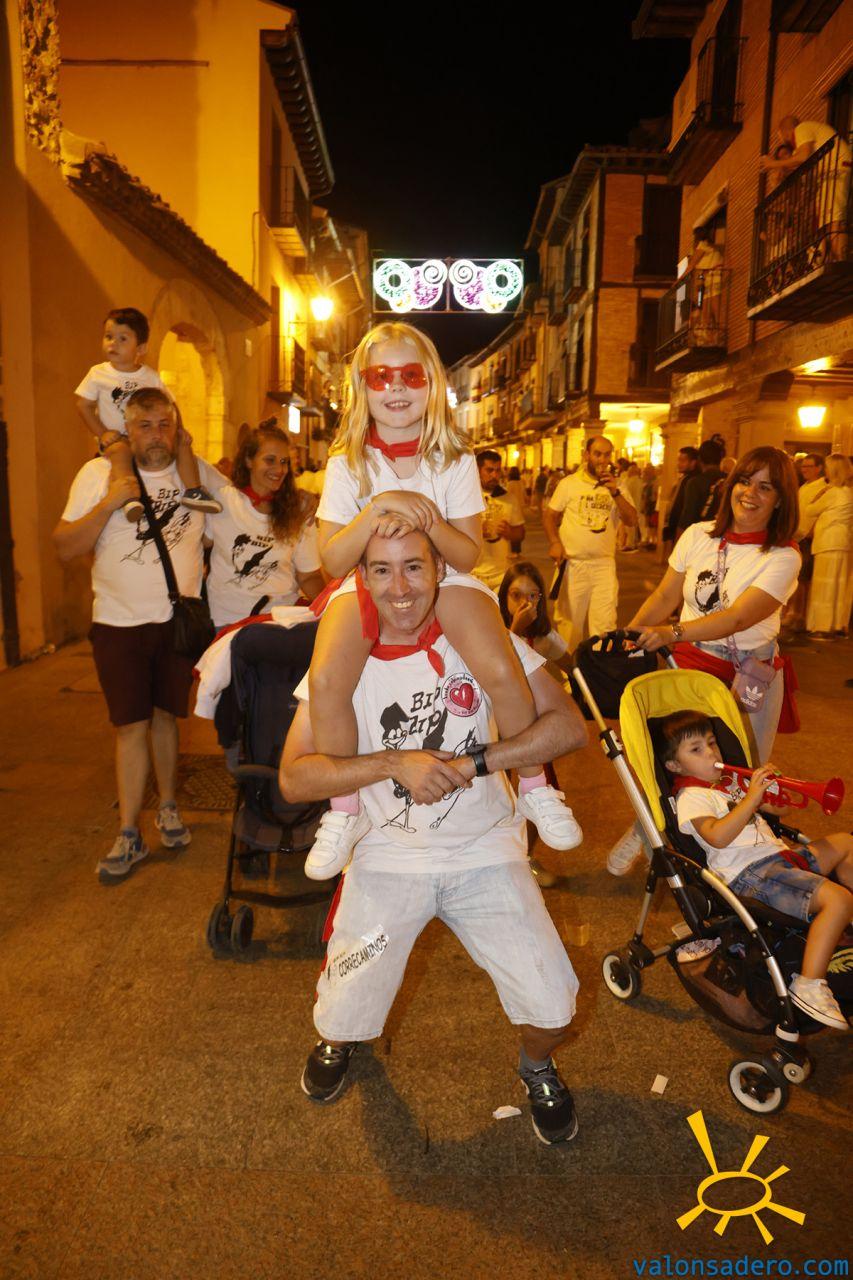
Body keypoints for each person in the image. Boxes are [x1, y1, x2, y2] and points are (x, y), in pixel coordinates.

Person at [280, 528, 589, 1143]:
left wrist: (476, 763)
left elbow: (569, 728)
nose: (400, 588)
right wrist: (395, 763)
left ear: (441, 568)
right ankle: (341, 1040)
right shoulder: (343, 657)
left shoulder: (483, 638)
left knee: (556, 1007)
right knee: (340, 1013)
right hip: (387, 859)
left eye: (414, 568)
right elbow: (294, 777)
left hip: (486, 852)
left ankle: (536, 1066)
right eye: (382, 570)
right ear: (362, 579)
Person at [305, 321, 582, 878]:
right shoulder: (346, 462)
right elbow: (332, 560)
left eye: (411, 375)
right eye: (381, 376)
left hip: (447, 578)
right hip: (368, 580)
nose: (396, 387)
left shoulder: (454, 458)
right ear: (362, 386)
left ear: (432, 383)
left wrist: (427, 522)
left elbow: (468, 554)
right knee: (327, 680)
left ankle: (533, 784)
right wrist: (378, 507)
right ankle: (344, 809)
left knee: (499, 666)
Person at [606, 447, 801, 876]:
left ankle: (732, 862)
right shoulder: (698, 535)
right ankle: (648, 825)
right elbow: (665, 595)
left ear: (780, 500)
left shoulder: (784, 556)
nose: (750, 493)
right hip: (692, 666)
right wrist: (630, 638)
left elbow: (738, 617)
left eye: (765, 487)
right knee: (678, 759)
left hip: (752, 672)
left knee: (737, 768)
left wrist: (670, 632)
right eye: (744, 481)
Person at [53, 388, 205, 883]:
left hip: (174, 623)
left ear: (176, 430)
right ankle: (128, 831)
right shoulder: (99, 475)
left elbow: (240, 512)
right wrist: (109, 505)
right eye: (145, 426)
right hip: (118, 624)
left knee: (166, 718)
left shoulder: (193, 474)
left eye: (164, 425)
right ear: (127, 430)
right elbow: (64, 546)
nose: (156, 435)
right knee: (130, 726)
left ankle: (168, 806)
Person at [662, 710, 852, 1031]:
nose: (711, 753)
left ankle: (842, 923)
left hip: (779, 859)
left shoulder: (728, 785)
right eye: (696, 749)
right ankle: (809, 984)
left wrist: (775, 790)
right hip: (751, 874)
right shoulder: (691, 796)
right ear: (675, 766)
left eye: (711, 743)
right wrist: (751, 798)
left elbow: (779, 808)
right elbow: (717, 836)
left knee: (846, 843)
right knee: (839, 900)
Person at [74, 307, 221, 523]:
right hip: (117, 438)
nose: (113, 343)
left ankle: (193, 490)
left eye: (123, 339)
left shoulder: (151, 377)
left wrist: (179, 429)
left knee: (182, 444)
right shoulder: (98, 374)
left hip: (146, 437)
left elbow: (171, 405)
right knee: (120, 452)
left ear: (141, 348)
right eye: (109, 337)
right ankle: (129, 498)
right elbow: (83, 405)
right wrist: (103, 433)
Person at [205, 424, 325, 629]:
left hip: (278, 622)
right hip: (226, 622)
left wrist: (330, 607)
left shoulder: (299, 510)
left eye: (284, 462)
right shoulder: (223, 501)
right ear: (248, 460)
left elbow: (309, 576)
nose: (279, 469)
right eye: (270, 460)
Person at [542, 435, 638, 652]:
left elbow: (632, 520)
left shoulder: (619, 486)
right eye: (597, 454)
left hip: (603, 566)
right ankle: (571, 673)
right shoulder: (569, 484)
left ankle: (599, 670)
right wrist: (554, 542)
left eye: (607, 455)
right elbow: (549, 516)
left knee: (605, 627)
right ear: (587, 455)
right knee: (569, 627)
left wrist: (615, 492)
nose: (602, 460)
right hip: (573, 565)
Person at [760, 116, 852, 258]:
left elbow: (803, 157)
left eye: (781, 138)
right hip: (830, 176)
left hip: (836, 171)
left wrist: (773, 164)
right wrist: (779, 176)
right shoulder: (802, 145)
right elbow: (796, 167)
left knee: (834, 220)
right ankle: (833, 259)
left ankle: (842, 260)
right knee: (827, 223)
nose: (784, 142)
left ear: (786, 132)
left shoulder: (802, 128)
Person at [804, 453, 853, 638]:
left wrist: (819, 494)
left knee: (824, 586)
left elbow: (810, 510)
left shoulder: (832, 493)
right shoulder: (849, 492)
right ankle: (838, 624)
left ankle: (823, 627)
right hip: (844, 543)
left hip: (828, 542)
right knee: (840, 587)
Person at [472, 451, 525, 591]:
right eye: (489, 470)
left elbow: (520, 534)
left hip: (500, 573)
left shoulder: (509, 499)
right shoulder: (466, 496)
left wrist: (509, 532)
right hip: (472, 573)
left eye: (497, 470)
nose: (494, 475)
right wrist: (475, 531)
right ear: (477, 470)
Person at [676, 438, 726, 539]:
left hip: (700, 535)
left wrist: (679, 540)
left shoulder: (695, 482)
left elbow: (687, 516)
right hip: (722, 534)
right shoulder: (729, 480)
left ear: (699, 459)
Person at [663, 447, 699, 548]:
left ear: (693, 462)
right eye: (678, 460)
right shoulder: (687, 478)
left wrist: (670, 528)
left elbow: (677, 506)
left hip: (682, 529)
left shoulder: (688, 480)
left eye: (683, 461)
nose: (679, 464)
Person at [504, 465, 527, 554]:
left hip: (512, 508)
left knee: (513, 529)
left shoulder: (510, 484)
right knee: (519, 528)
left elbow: (507, 495)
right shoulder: (521, 482)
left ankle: (514, 551)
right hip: (521, 507)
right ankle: (518, 550)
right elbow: (524, 494)